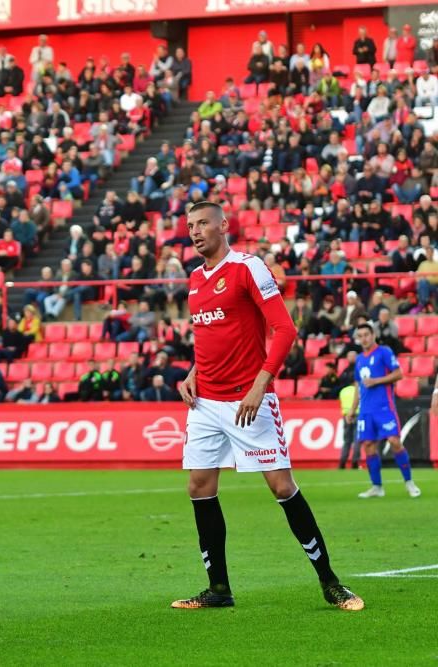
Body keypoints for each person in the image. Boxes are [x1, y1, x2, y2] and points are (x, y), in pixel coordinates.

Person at [174, 201, 363, 611]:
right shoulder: (193, 279)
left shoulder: (248, 267)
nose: (195, 231)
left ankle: (330, 582)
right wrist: (192, 371)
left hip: (248, 398)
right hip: (205, 402)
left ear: (223, 225)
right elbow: (210, 334)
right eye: (190, 225)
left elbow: (284, 328)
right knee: (199, 487)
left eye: (203, 223)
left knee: (281, 486)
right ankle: (219, 589)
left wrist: (261, 383)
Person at [345, 324, 421, 499]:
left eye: (366, 335)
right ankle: (377, 487)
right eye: (360, 336)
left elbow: (399, 374)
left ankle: (409, 483)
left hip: (384, 408)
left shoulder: (384, 352)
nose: (363, 338)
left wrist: (376, 381)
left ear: (373, 335)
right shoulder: (359, 359)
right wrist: (352, 409)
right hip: (365, 410)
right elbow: (358, 386)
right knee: (369, 446)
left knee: (394, 441)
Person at [337, 383, 359, 470]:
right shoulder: (357, 390)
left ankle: (342, 462)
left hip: (346, 416)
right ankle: (355, 462)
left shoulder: (343, 391)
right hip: (357, 414)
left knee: (346, 441)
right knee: (357, 440)